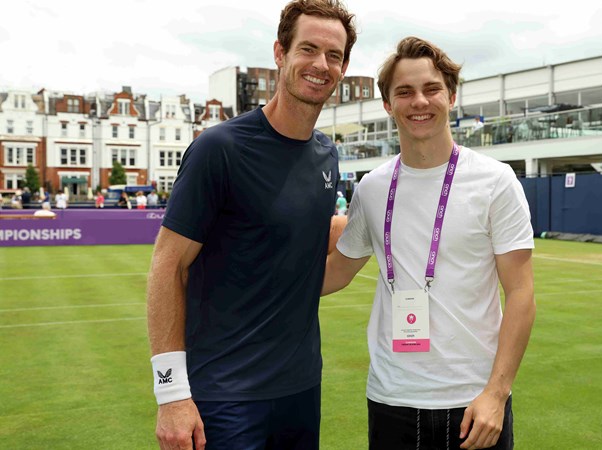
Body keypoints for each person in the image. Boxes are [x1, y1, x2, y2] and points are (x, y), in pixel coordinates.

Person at [145, 1, 357, 449]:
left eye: (334, 56)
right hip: (225, 397)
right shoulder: (219, 148)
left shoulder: (326, 154)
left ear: (343, 68)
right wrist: (170, 394)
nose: (321, 65)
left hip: (301, 391)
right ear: (280, 53)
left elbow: (294, 257)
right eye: (308, 49)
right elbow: (168, 267)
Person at [322, 37, 535, 450]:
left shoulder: (495, 181)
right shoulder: (372, 187)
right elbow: (335, 273)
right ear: (388, 104)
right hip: (392, 398)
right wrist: (251, 272)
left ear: (451, 96)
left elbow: (522, 293)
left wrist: (497, 392)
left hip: (475, 402)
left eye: (431, 89)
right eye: (404, 92)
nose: (419, 101)